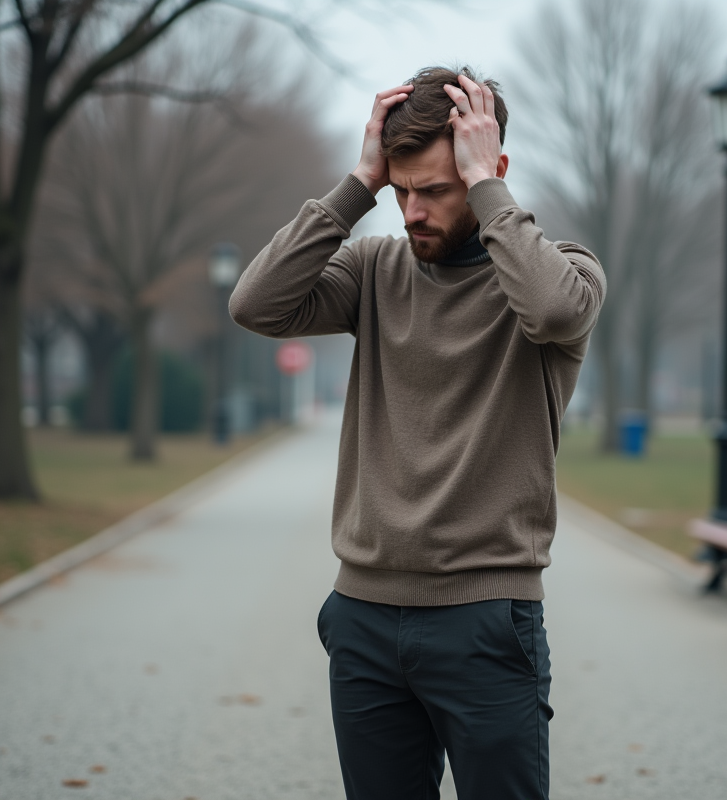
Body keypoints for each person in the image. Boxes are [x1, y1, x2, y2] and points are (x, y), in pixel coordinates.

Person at [229, 65, 605, 800]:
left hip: (487, 622)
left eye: (434, 190)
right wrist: (358, 182)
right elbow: (257, 305)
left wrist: (489, 190)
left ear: (490, 168)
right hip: (364, 621)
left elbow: (555, 316)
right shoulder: (374, 269)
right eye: (401, 192)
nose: (412, 213)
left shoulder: (561, 274)